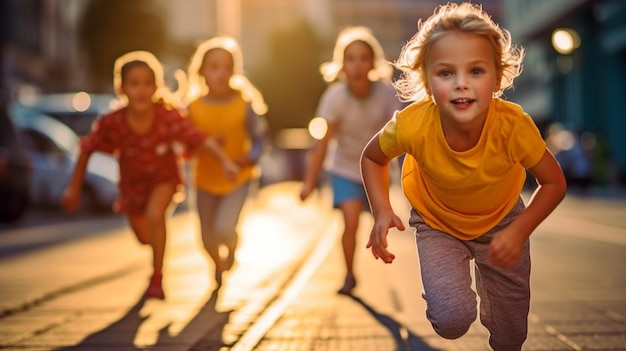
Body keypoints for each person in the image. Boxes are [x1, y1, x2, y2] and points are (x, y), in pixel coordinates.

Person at [360, 3, 567, 350]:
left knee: (511, 335)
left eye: (475, 71)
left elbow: (554, 183)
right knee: (451, 320)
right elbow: (372, 157)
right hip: (437, 223)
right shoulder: (413, 124)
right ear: (426, 80)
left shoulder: (513, 126)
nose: (461, 85)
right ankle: (448, 298)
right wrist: (381, 210)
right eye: (445, 73)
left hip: (503, 223)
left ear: (498, 78)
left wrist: (519, 230)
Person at [61, 51, 239, 300]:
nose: (142, 90)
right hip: (132, 188)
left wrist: (224, 162)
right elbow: (87, 149)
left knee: (156, 216)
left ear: (157, 86)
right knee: (146, 237)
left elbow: (197, 138)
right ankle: (155, 259)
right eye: (134, 84)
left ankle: (157, 277)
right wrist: (74, 189)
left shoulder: (166, 116)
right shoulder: (113, 121)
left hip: (164, 179)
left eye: (148, 83)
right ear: (122, 88)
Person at [300, 26, 402, 295]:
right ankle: (348, 275)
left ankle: (381, 250)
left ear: (372, 63)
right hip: (344, 168)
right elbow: (322, 143)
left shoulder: (385, 94)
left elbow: (402, 133)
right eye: (351, 58)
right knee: (351, 222)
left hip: (377, 170)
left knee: (381, 219)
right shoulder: (334, 97)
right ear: (342, 64)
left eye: (363, 58)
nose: (357, 65)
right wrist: (309, 182)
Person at [184, 37, 267, 286]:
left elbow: (260, 139)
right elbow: (186, 145)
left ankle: (231, 247)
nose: (221, 73)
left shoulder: (244, 104)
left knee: (223, 229)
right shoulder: (192, 107)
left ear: (234, 71)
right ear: (201, 72)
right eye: (214, 67)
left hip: (237, 178)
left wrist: (248, 159)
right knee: (207, 238)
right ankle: (216, 263)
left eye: (227, 67)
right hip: (205, 180)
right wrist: (203, 144)